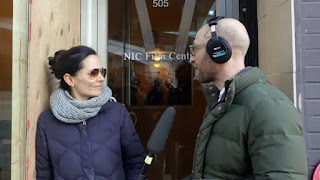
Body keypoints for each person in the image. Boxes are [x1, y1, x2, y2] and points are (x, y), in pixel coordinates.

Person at [185, 17, 308, 179]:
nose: (191, 59)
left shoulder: (269, 108)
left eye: (195, 49)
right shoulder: (221, 101)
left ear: (218, 49)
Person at [36, 46, 145, 180]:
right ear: (70, 79)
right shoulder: (47, 121)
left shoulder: (117, 113)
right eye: (93, 73)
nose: (101, 78)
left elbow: (136, 161)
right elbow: (43, 174)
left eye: (102, 72)